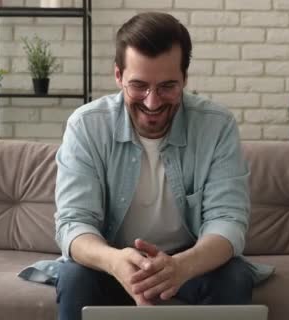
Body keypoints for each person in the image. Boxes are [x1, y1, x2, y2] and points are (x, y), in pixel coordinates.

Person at [18, 12, 273, 320]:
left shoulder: (216, 126)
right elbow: (74, 223)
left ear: (185, 78)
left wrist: (182, 266)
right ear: (118, 75)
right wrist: (114, 262)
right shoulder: (86, 126)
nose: (152, 103)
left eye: (167, 87)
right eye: (138, 86)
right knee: (75, 278)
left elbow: (228, 220)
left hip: (190, 259)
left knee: (233, 276)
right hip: (111, 257)